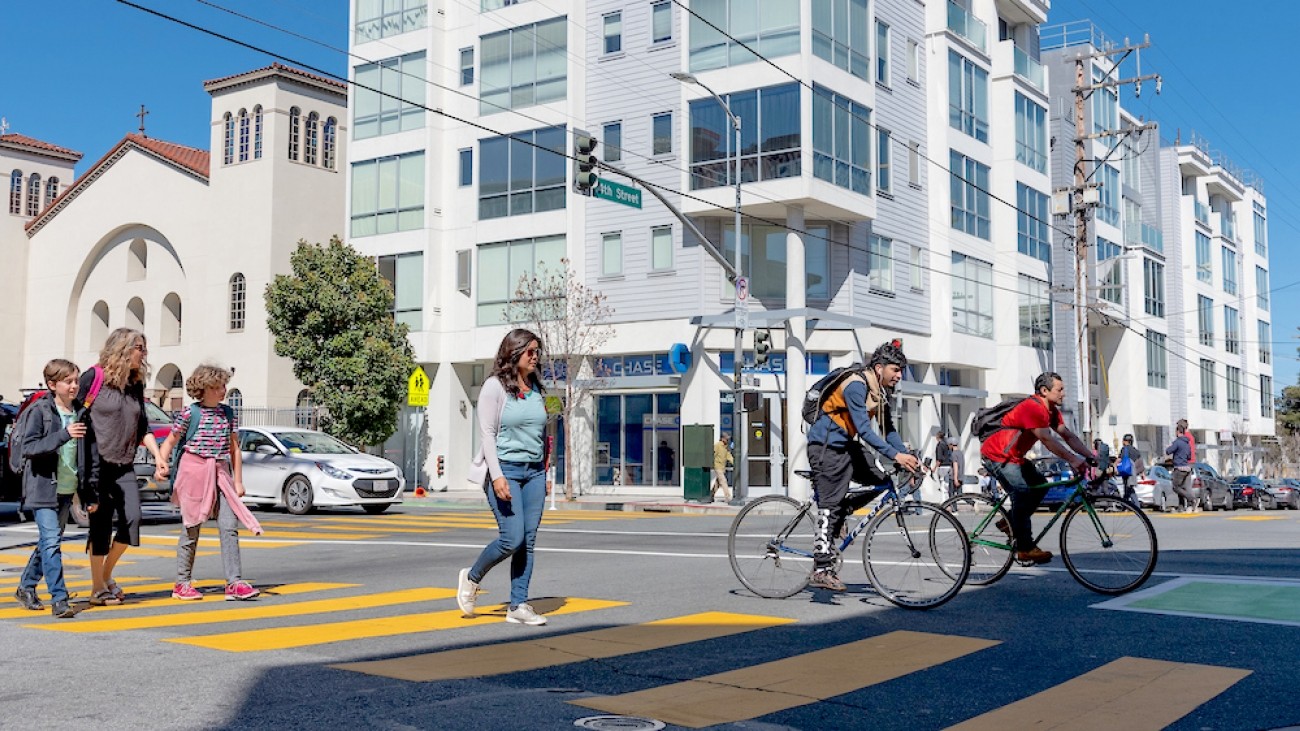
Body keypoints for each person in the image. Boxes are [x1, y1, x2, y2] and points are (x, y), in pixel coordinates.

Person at [806, 340, 919, 591]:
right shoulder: (856, 386)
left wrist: (906, 457)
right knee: (829, 505)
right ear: (879, 368)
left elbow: (888, 430)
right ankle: (821, 568)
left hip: (846, 445)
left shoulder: (880, 392)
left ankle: (845, 508)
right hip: (826, 447)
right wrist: (896, 456)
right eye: (895, 370)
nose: (899, 376)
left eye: (901, 370)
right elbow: (866, 430)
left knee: (882, 481)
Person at [459, 329, 552, 626]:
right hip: (506, 470)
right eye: (530, 351)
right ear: (514, 353)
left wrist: (547, 468)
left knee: (528, 540)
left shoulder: (537, 386)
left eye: (537, 351)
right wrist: (497, 477)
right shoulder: (494, 387)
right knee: (512, 538)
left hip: (535, 472)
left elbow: (544, 431)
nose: (535, 356)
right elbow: (487, 434)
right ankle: (472, 578)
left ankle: (518, 604)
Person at [157, 365, 262, 601]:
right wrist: (161, 463)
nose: (222, 391)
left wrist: (238, 481)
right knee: (191, 527)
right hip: (194, 472)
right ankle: (182, 583)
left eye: (223, 386)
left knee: (228, 525)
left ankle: (234, 582)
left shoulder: (228, 413)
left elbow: (234, 447)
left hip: (220, 472)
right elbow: (171, 441)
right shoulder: (189, 413)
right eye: (216, 387)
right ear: (203, 389)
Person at [80, 328, 164, 606]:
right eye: (140, 347)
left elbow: (142, 427)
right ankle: (96, 589)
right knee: (100, 526)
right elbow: (73, 414)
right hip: (97, 465)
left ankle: (105, 576)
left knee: (132, 519)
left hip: (124, 464)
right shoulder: (94, 378)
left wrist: (158, 456)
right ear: (122, 349)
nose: (144, 353)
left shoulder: (135, 384)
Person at [980, 372, 1094, 565]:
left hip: (1014, 458)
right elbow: (1047, 440)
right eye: (1060, 390)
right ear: (1044, 390)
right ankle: (1025, 549)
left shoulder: (1050, 411)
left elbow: (1068, 436)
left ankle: (1008, 523)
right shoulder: (1032, 407)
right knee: (1022, 493)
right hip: (998, 456)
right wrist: (1073, 460)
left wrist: (1092, 456)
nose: (1063, 394)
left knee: (1041, 484)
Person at [14, 359, 85, 618]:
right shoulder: (40, 411)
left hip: (68, 488)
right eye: (69, 381)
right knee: (53, 542)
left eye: (76, 380)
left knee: (48, 542)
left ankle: (25, 586)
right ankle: (60, 598)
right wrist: (64, 434)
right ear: (53, 384)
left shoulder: (80, 411)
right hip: (43, 487)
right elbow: (29, 447)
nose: (74, 386)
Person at [1166, 419, 1198, 512]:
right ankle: (1182, 506)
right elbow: (1189, 452)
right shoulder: (1188, 439)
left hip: (1183, 464)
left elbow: (1169, 450)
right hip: (1188, 465)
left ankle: (1191, 501)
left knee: (1178, 487)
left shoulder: (1181, 440)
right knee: (1183, 486)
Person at [1118, 434, 1142, 505]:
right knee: (1128, 488)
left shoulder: (1124, 449)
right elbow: (1140, 462)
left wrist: (1114, 466)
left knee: (1129, 489)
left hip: (1126, 471)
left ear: (1125, 441)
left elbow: (1119, 459)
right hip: (1133, 472)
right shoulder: (1135, 451)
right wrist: (1141, 473)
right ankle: (1124, 505)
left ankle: (1136, 505)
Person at [710, 432, 734, 503]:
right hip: (717, 467)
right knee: (723, 481)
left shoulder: (725, 447)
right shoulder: (717, 445)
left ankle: (710, 495)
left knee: (718, 483)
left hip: (722, 467)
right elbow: (713, 454)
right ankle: (728, 497)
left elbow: (728, 455)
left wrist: (734, 463)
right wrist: (711, 464)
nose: (727, 440)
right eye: (726, 439)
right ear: (722, 438)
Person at [935, 432, 958, 499]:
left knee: (942, 483)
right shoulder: (947, 444)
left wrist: (934, 468)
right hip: (949, 465)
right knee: (947, 482)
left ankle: (944, 499)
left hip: (942, 466)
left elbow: (939, 458)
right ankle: (949, 497)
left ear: (937, 437)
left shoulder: (939, 445)